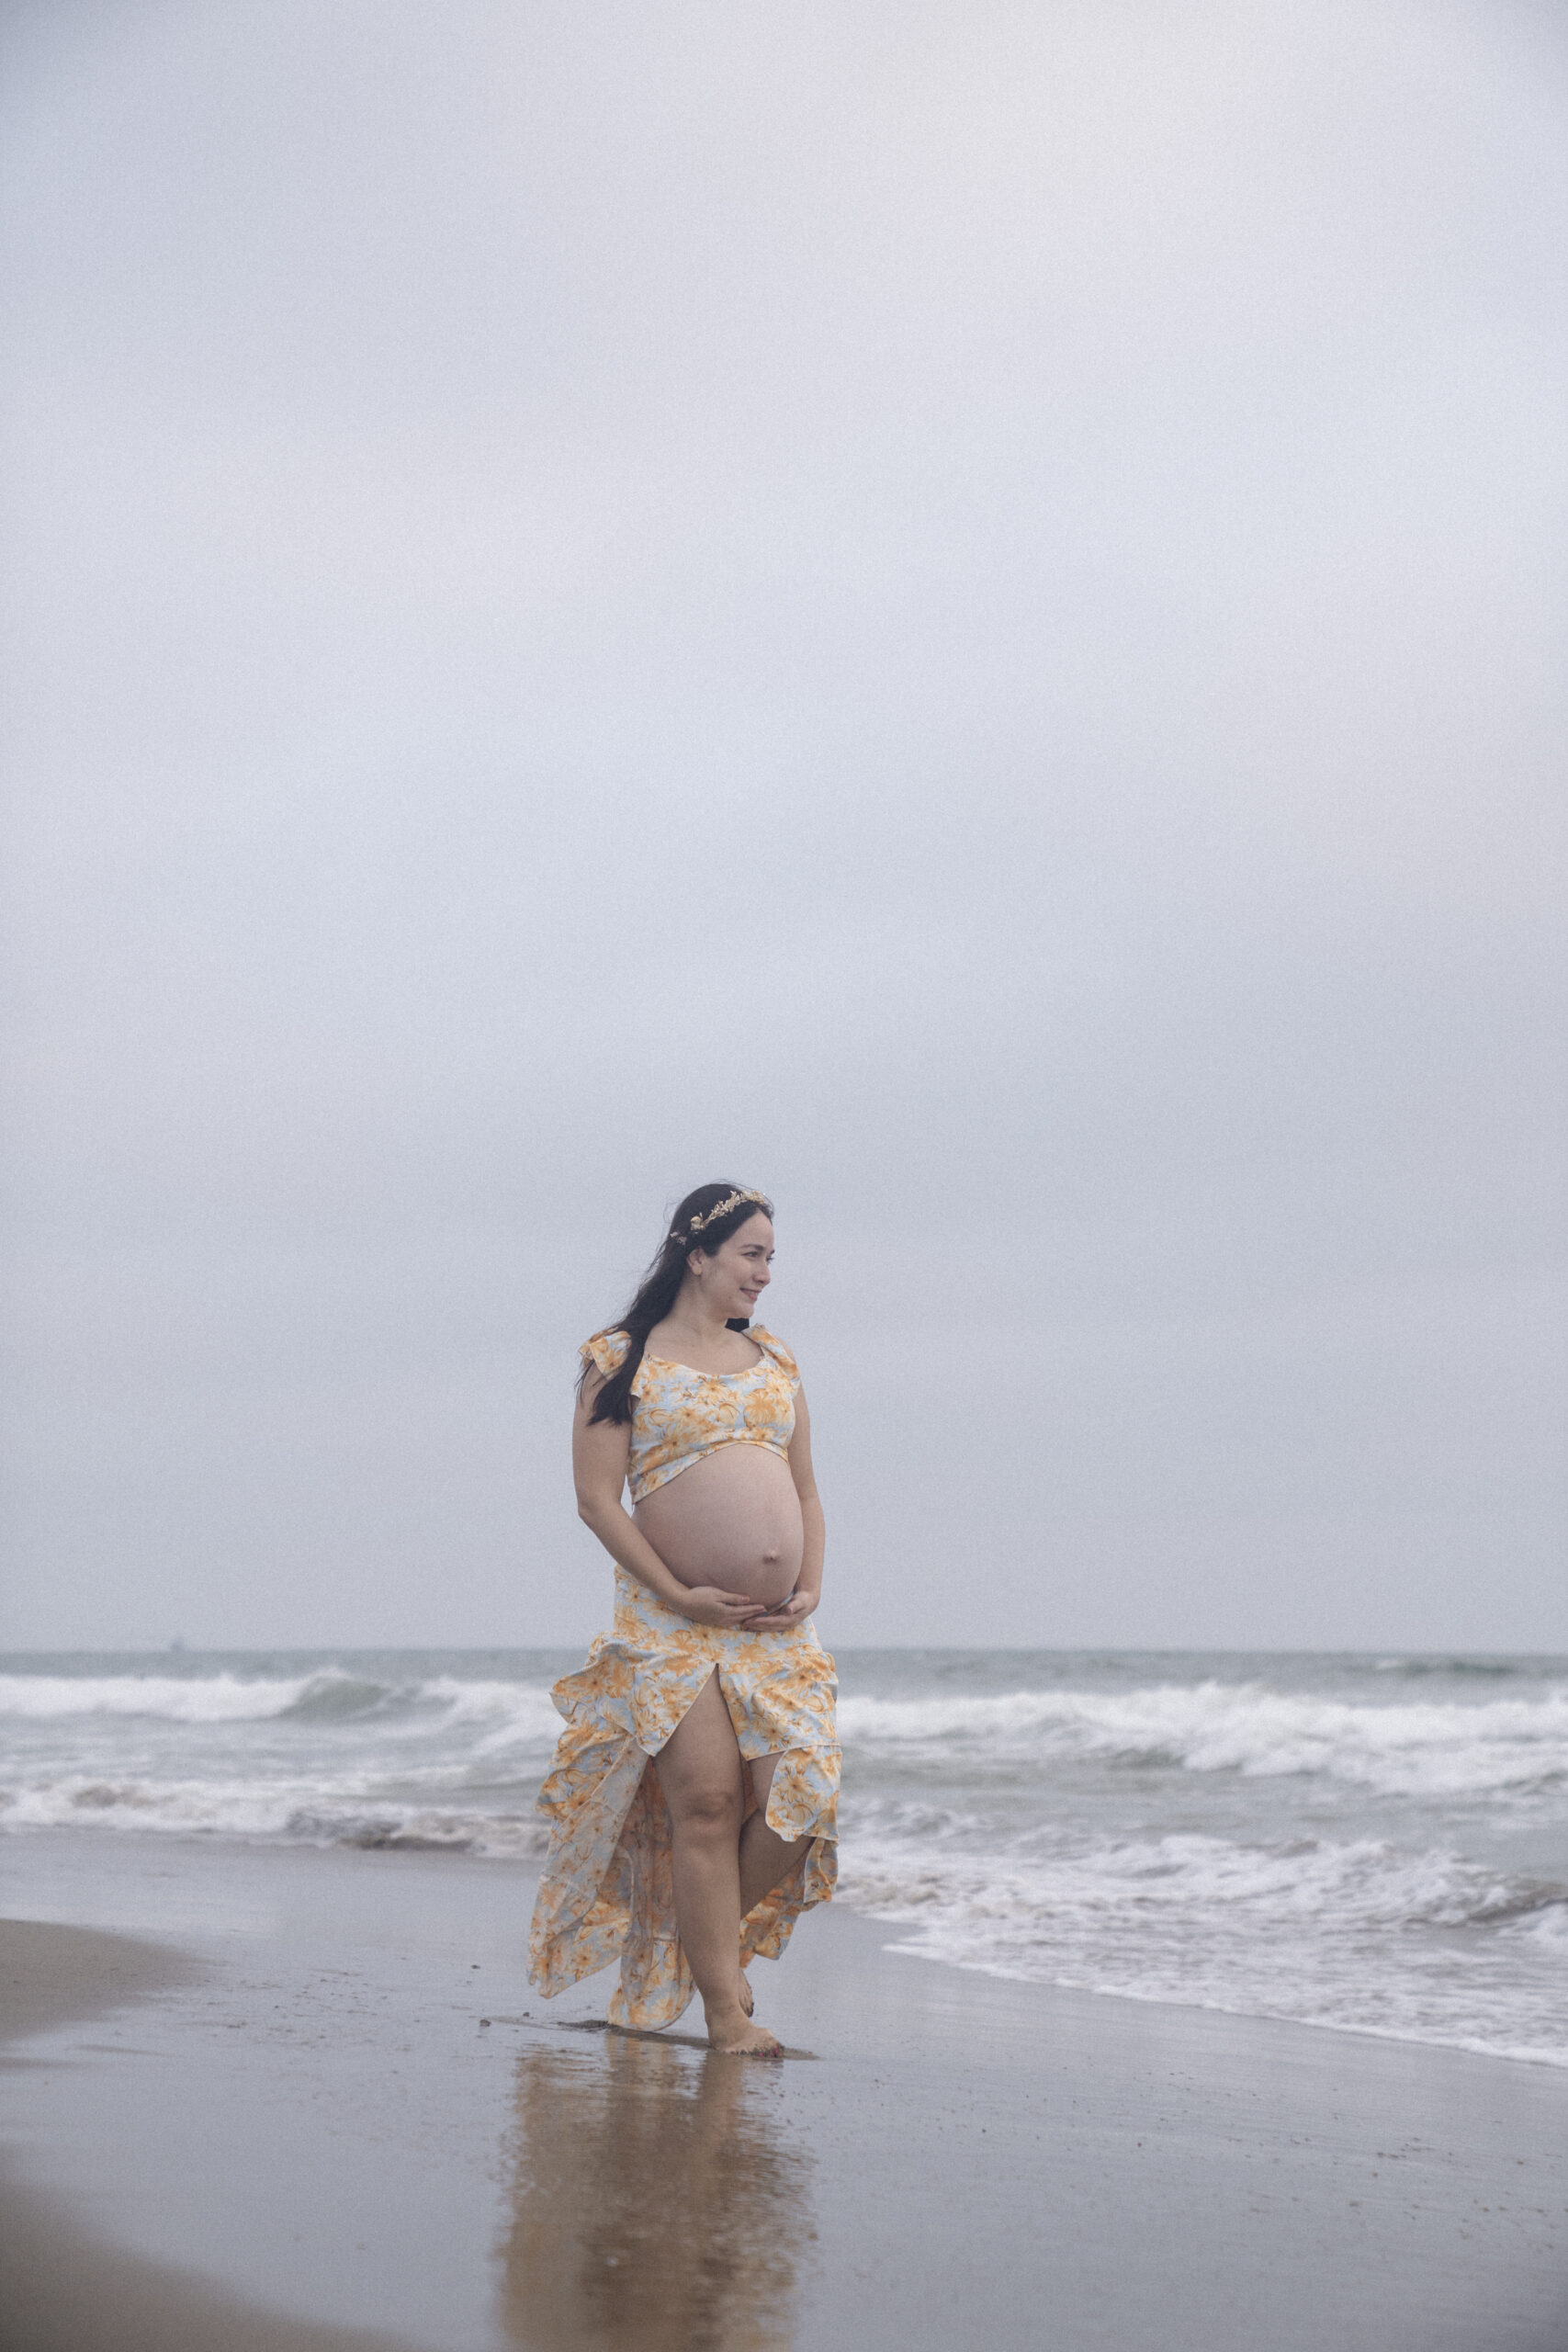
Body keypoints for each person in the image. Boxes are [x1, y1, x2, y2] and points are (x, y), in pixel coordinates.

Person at [527, 1183, 839, 2055]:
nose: (765, 1274)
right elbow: (597, 1501)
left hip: (774, 1630)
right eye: (752, 1254)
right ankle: (726, 2013)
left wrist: (808, 1581)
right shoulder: (620, 1358)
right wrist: (675, 1592)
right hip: (670, 1621)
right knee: (704, 1807)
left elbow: (806, 1488)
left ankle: (687, 1941)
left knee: (798, 1800)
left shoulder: (774, 1358)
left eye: (771, 1256)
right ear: (697, 1254)